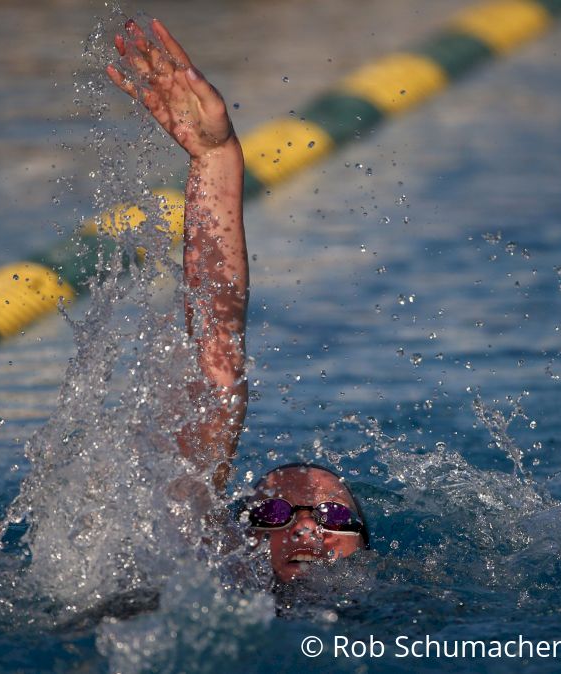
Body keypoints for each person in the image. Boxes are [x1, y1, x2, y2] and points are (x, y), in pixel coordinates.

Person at [107, 18, 368, 584]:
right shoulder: (211, 589)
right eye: (271, 514)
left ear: (367, 546)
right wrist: (214, 160)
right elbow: (217, 365)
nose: (305, 531)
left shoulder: (424, 619)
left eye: (331, 516)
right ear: (231, 537)